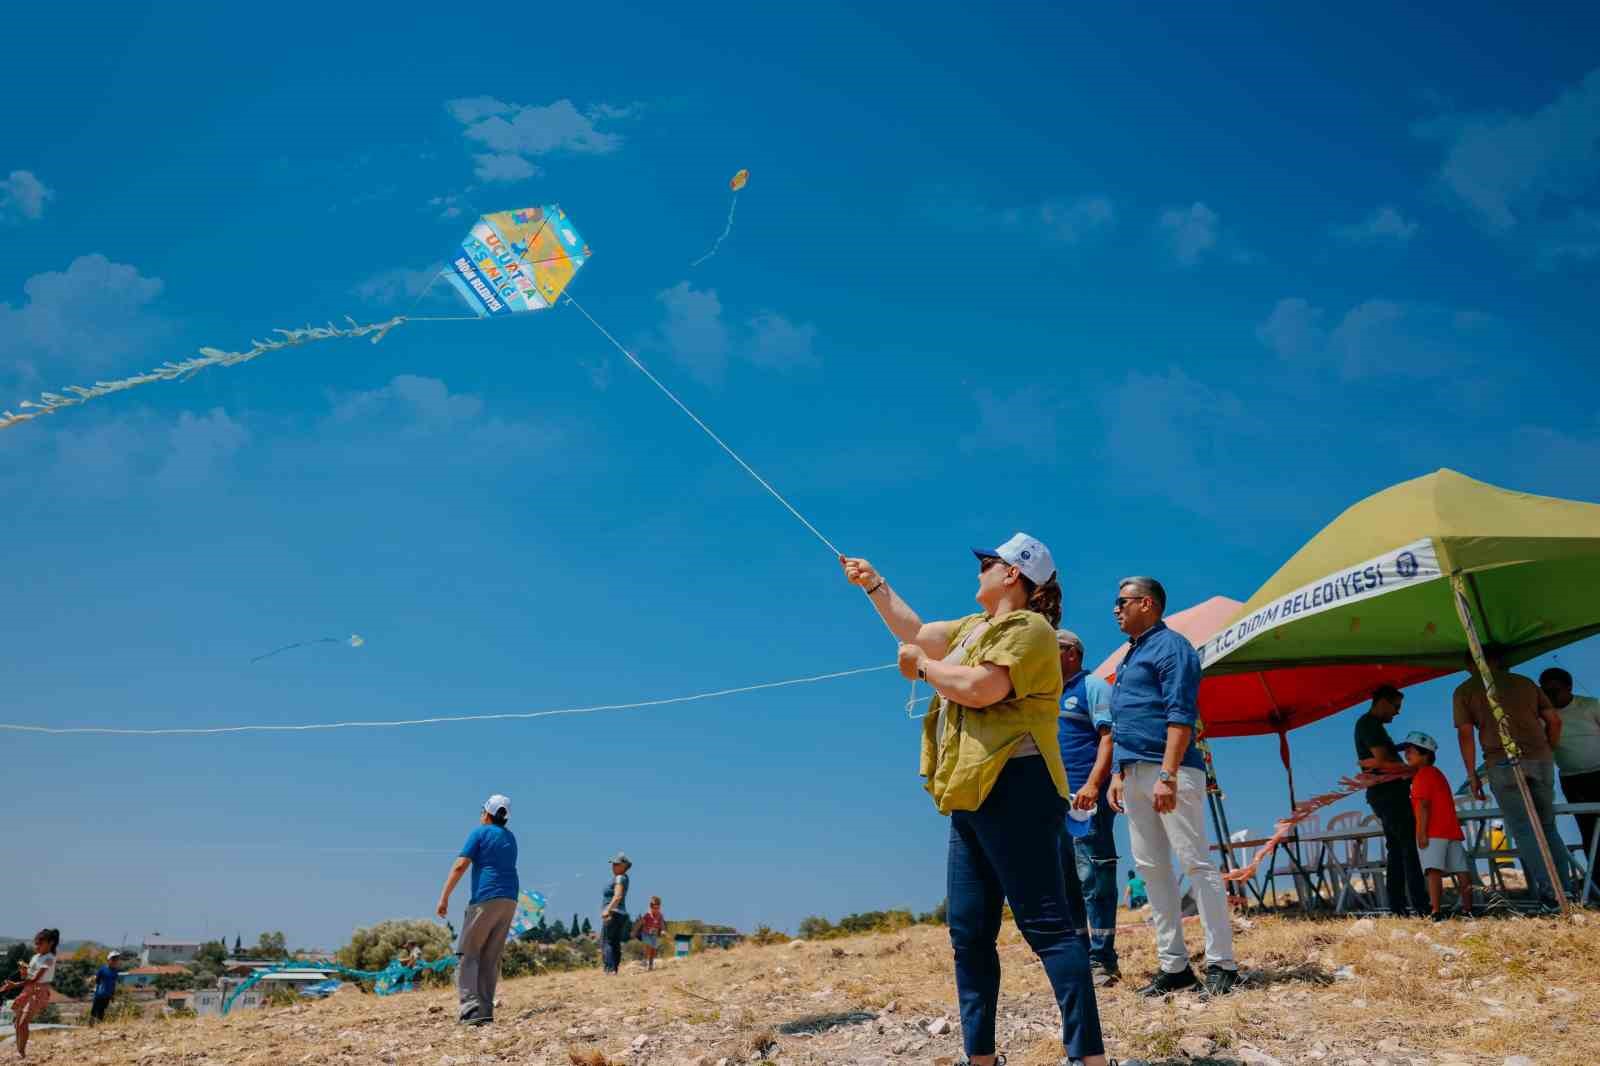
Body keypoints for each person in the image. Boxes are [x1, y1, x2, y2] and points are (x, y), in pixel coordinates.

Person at [840, 534, 1110, 1066]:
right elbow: (917, 633)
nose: (980, 570)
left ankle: (1088, 1057)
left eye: (989, 563)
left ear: (1013, 574)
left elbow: (980, 688)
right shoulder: (973, 627)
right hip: (970, 792)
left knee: (1047, 930)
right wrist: (874, 585)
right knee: (968, 933)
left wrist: (923, 668)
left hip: (1019, 786)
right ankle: (979, 1057)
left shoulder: (1032, 630)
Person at [1106, 576, 1238, 998]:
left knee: (1195, 864)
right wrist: (1117, 774)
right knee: (1151, 869)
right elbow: (1126, 721)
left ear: (1147, 603)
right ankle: (1174, 965)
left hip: (1171, 771)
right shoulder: (1131, 655)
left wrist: (1166, 774)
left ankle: (1222, 963)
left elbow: (1180, 714)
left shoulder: (1173, 647)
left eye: (1121, 601)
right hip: (1134, 773)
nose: (1115, 609)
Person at [1454, 660, 1573, 902]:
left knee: (1523, 828)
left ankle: (1550, 892)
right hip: (1540, 759)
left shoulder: (1466, 690)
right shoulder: (1525, 683)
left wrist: (1472, 775)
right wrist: (1548, 749)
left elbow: (1465, 733)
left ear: (1471, 663)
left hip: (1501, 762)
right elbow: (1555, 721)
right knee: (1548, 826)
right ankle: (1568, 889)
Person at [1054, 629, 1120, 985]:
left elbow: (1109, 738)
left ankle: (1103, 958)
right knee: (1065, 882)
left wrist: (1094, 784)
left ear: (1071, 653)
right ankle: (1079, 955)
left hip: (1086, 800)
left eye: (1053, 650)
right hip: (1054, 803)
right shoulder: (1047, 694)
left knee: (1094, 877)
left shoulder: (1093, 686)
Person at [437, 794, 519, 1025]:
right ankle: (484, 1011)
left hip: (486, 897)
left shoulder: (480, 832)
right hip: (509, 898)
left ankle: (470, 1010)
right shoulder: (510, 838)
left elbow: (460, 865)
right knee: (490, 956)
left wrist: (444, 897)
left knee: (468, 953)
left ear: (487, 813)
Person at [1353, 685, 1429, 916]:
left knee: (1397, 850)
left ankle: (1398, 906)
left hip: (1384, 794)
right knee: (1408, 848)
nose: (1397, 713)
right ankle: (1420, 905)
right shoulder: (1370, 724)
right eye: (1396, 707)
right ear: (1383, 702)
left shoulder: (1370, 726)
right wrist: (1413, 769)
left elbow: (1381, 757)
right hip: (1389, 793)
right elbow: (1383, 760)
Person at [1396, 731, 1474, 920]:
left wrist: (1421, 833)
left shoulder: (1421, 776)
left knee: (1432, 871)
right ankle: (1468, 908)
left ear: (1425, 754)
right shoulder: (1438, 774)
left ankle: (1436, 911)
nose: (1406, 755)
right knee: (1461, 869)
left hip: (1433, 831)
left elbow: (1423, 805)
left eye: (1411, 751)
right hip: (1450, 830)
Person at [1539, 667, 1600, 854]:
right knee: (1588, 830)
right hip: (1572, 779)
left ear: (1569, 687)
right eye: (1546, 692)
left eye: (1555, 691)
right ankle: (1595, 880)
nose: (1551, 696)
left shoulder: (1590, 705)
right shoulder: (1542, 716)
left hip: (1598, 772)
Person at [4, 928, 59, 1058]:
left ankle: (22, 1053)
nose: (37, 946)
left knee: (23, 1023)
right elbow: (28, 977)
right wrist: (24, 972)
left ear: (50, 943)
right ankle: (19, 1052)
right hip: (28, 989)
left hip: (39, 991)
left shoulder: (50, 958)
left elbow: (35, 979)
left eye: (40, 943)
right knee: (18, 1023)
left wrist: (15, 985)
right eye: (36, 943)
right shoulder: (35, 957)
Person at [600, 853, 632, 975]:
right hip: (621, 914)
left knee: (606, 941)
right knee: (614, 942)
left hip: (613, 913)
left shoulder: (620, 878)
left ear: (624, 866)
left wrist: (607, 909)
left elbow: (617, 896)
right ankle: (614, 969)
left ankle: (609, 969)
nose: (613, 866)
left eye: (616, 864)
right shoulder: (624, 878)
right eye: (613, 864)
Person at [89, 951, 121, 1024]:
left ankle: (99, 1026)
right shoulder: (102, 969)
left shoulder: (115, 972)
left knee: (102, 1012)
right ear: (108, 960)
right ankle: (90, 1026)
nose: (115, 961)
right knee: (94, 1011)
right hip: (99, 995)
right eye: (113, 959)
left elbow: (113, 984)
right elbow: (97, 980)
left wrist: (112, 995)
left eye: (116, 960)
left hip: (107, 996)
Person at [636, 897, 666, 971]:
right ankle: (644, 961)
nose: (656, 910)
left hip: (654, 935)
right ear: (650, 907)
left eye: (658, 908)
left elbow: (662, 924)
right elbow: (640, 923)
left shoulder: (660, 915)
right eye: (655, 908)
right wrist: (635, 931)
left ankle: (651, 965)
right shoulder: (646, 914)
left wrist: (662, 930)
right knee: (648, 946)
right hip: (646, 934)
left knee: (653, 950)